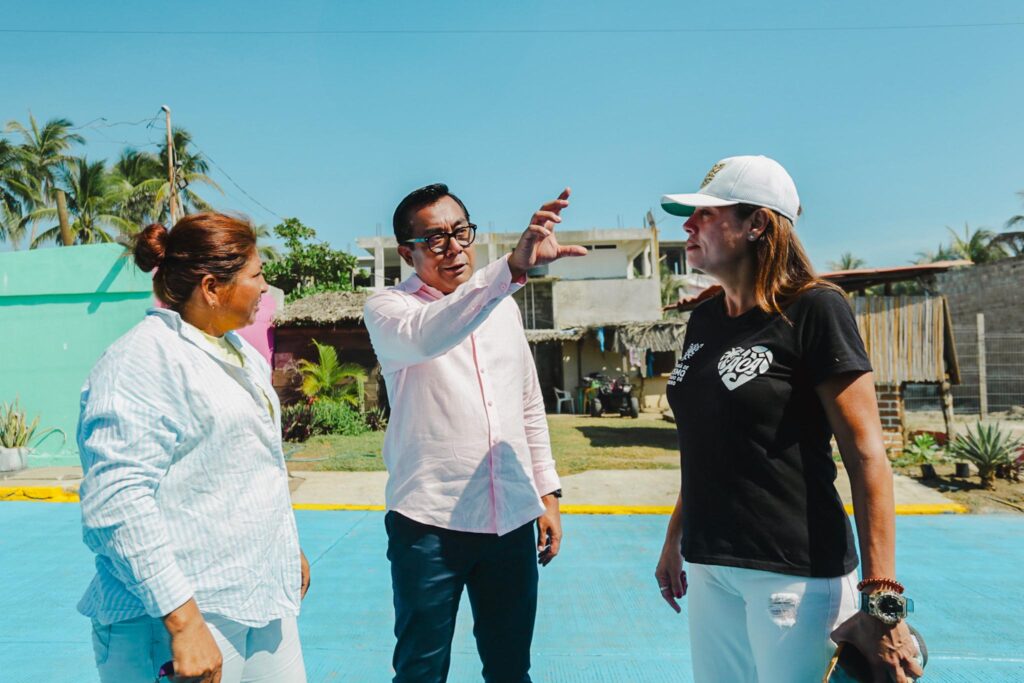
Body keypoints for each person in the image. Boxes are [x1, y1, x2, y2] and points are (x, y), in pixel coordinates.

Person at [654, 156, 924, 683]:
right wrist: (675, 538)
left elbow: (868, 455)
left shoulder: (816, 309)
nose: (688, 225)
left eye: (707, 214)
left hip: (795, 574)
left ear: (758, 224)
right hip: (711, 565)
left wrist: (883, 603)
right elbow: (708, 442)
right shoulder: (705, 319)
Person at [364, 183, 586, 683]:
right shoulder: (390, 310)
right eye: (435, 239)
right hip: (429, 524)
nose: (454, 248)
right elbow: (431, 334)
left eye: (461, 232)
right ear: (406, 252)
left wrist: (547, 494)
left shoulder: (503, 306)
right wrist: (509, 270)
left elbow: (528, 403)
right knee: (421, 671)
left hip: (509, 518)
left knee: (511, 669)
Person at [77, 213, 311, 683]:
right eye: (256, 275)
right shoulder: (141, 361)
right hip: (180, 614)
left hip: (258, 596)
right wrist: (183, 622)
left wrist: (284, 547)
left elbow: (243, 464)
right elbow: (116, 501)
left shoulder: (236, 351)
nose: (266, 287)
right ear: (211, 287)